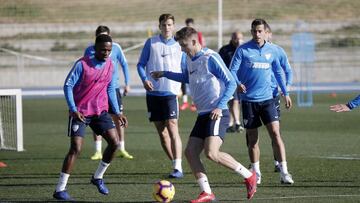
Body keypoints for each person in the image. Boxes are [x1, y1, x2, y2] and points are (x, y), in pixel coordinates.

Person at [151, 26, 257, 202]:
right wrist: (165, 73)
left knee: (212, 153)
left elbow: (230, 82)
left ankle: (249, 175)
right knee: (190, 152)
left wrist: (220, 106)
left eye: (184, 45)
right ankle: (207, 192)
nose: (183, 49)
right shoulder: (189, 58)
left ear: (194, 41)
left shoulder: (211, 58)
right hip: (203, 114)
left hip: (217, 112)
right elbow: (187, 77)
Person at [53, 34, 128, 201]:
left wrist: (117, 112)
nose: (107, 53)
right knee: (76, 149)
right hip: (80, 112)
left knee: (115, 143)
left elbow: (110, 89)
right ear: (95, 48)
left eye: (109, 50)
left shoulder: (110, 64)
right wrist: (73, 109)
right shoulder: (82, 64)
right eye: (103, 50)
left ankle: (98, 177)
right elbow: (68, 85)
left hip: (100, 112)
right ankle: (60, 189)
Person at [229, 18, 294, 185]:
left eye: (260, 31)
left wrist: (285, 92)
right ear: (251, 32)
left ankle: (284, 172)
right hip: (249, 101)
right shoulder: (243, 50)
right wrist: (238, 84)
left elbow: (279, 72)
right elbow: (232, 70)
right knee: (252, 139)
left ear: (266, 32)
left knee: (275, 134)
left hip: (268, 100)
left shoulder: (273, 50)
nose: (257, 34)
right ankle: (256, 172)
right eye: (254, 31)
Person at [136, 13, 184, 178]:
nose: (167, 28)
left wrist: (183, 88)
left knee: (172, 127)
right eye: (164, 25)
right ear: (159, 26)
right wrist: (144, 80)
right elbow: (141, 64)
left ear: (173, 26)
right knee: (162, 133)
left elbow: (185, 68)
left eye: (170, 25)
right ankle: (174, 164)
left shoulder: (179, 45)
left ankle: (178, 166)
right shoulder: (151, 42)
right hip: (153, 94)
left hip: (171, 93)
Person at [84, 25, 133, 160]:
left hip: (113, 88)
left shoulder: (116, 48)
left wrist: (127, 83)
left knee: (118, 117)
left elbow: (124, 64)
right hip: (97, 90)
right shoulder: (89, 50)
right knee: (96, 117)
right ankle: (98, 150)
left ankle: (121, 148)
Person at [266, 25, 293, 173]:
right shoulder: (250, 50)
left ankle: (278, 161)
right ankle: (254, 164)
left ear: (269, 34)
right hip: (253, 97)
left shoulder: (277, 50)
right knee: (252, 132)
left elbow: (288, 70)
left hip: (272, 96)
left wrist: (286, 88)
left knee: (275, 131)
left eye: (265, 32)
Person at [219, 31, 245, 133]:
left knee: (236, 102)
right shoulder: (225, 50)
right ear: (232, 38)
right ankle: (237, 123)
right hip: (230, 80)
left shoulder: (244, 50)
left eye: (240, 38)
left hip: (241, 80)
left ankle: (231, 123)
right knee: (233, 101)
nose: (238, 40)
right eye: (236, 38)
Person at [179, 18, 206, 112]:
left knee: (196, 79)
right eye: (187, 25)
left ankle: (195, 102)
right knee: (185, 78)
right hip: (186, 59)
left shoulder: (198, 35)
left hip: (196, 60)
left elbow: (202, 46)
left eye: (190, 25)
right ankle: (185, 101)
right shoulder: (183, 36)